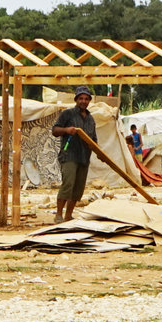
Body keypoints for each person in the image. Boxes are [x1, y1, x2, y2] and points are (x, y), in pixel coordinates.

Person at [52, 86, 97, 222]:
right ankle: (58, 215)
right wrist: (66, 130)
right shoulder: (68, 114)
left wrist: (96, 148)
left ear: (89, 100)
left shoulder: (91, 119)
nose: (83, 101)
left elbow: (94, 139)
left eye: (86, 99)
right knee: (68, 184)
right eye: (81, 98)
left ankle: (68, 216)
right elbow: (55, 130)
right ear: (76, 99)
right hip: (69, 155)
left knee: (78, 189)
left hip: (84, 157)